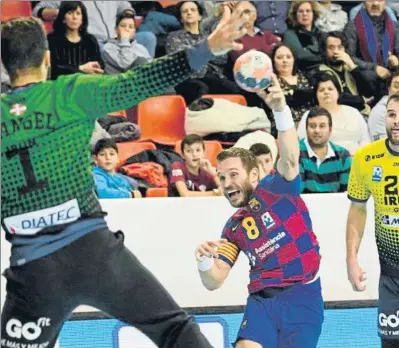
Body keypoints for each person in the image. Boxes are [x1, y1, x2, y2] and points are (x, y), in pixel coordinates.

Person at [0, 7, 249, 347]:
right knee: (175, 331)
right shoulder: (69, 92)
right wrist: (209, 46)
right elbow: (142, 81)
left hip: (34, 271)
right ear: (46, 58)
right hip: (94, 253)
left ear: (5, 65)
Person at [195, 75, 323, 348]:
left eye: (233, 175)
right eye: (221, 178)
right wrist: (204, 261)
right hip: (261, 303)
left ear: (254, 174)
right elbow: (214, 280)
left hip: (303, 297)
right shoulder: (233, 228)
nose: (227, 184)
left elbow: (289, 157)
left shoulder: (278, 188)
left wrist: (280, 108)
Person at [346, 91, 399, 348]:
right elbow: (357, 210)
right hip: (393, 277)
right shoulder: (366, 158)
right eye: (392, 114)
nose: (397, 121)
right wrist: (351, 259)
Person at [47, 1, 103, 80]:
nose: (74, 17)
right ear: (63, 18)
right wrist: (80, 68)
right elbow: (53, 69)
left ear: (82, 18)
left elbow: (99, 65)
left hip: (86, 84)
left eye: (78, 13)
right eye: (70, 13)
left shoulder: (90, 41)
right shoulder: (52, 40)